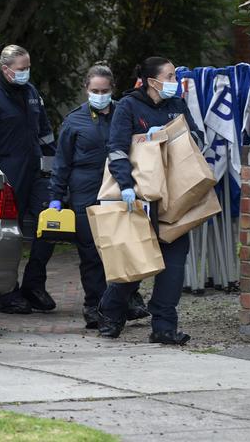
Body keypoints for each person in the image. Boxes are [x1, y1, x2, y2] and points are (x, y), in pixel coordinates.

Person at [97, 56, 205, 345]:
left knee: (173, 266)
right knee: (136, 262)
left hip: (175, 198)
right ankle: (111, 313)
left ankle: (164, 327)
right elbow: (117, 150)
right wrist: (126, 185)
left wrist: (174, 138)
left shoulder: (177, 106)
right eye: (170, 76)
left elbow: (198, 139)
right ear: (152, 81)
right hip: (140, 197)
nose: (175, 81)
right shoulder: (129, 107)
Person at [48, 63, 149, 328]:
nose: (100, 94)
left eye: (104, 90)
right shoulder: (74, 121)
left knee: (124, 249)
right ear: (86, 90)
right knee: (91, 255)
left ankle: (126, 299)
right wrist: (56, 196)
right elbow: (62, 162)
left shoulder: (125, 114)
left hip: (119, 190)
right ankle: (94, 306)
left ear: (112, 89)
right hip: (85, 193)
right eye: (95, 90)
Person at [0, 44, 57, 314]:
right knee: (11, 233)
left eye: (28, 67)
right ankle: (8, 293)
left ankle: (34, 284)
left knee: (50, 224)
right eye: (22, 69)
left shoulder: (31, 93)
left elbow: (45, 132)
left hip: (36, 171)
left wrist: (52, 165)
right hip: (7, 175)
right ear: (6, 69)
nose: (26, 73)